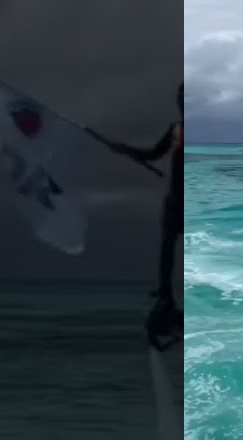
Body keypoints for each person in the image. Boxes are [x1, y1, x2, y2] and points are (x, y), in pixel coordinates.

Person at [91, 82, 183, 350]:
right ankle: (165, 294)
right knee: (167, 247)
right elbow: (153, 154)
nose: (181, 102)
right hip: (174, 200)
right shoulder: (175, 129)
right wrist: (124, 149)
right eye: (179, 97)